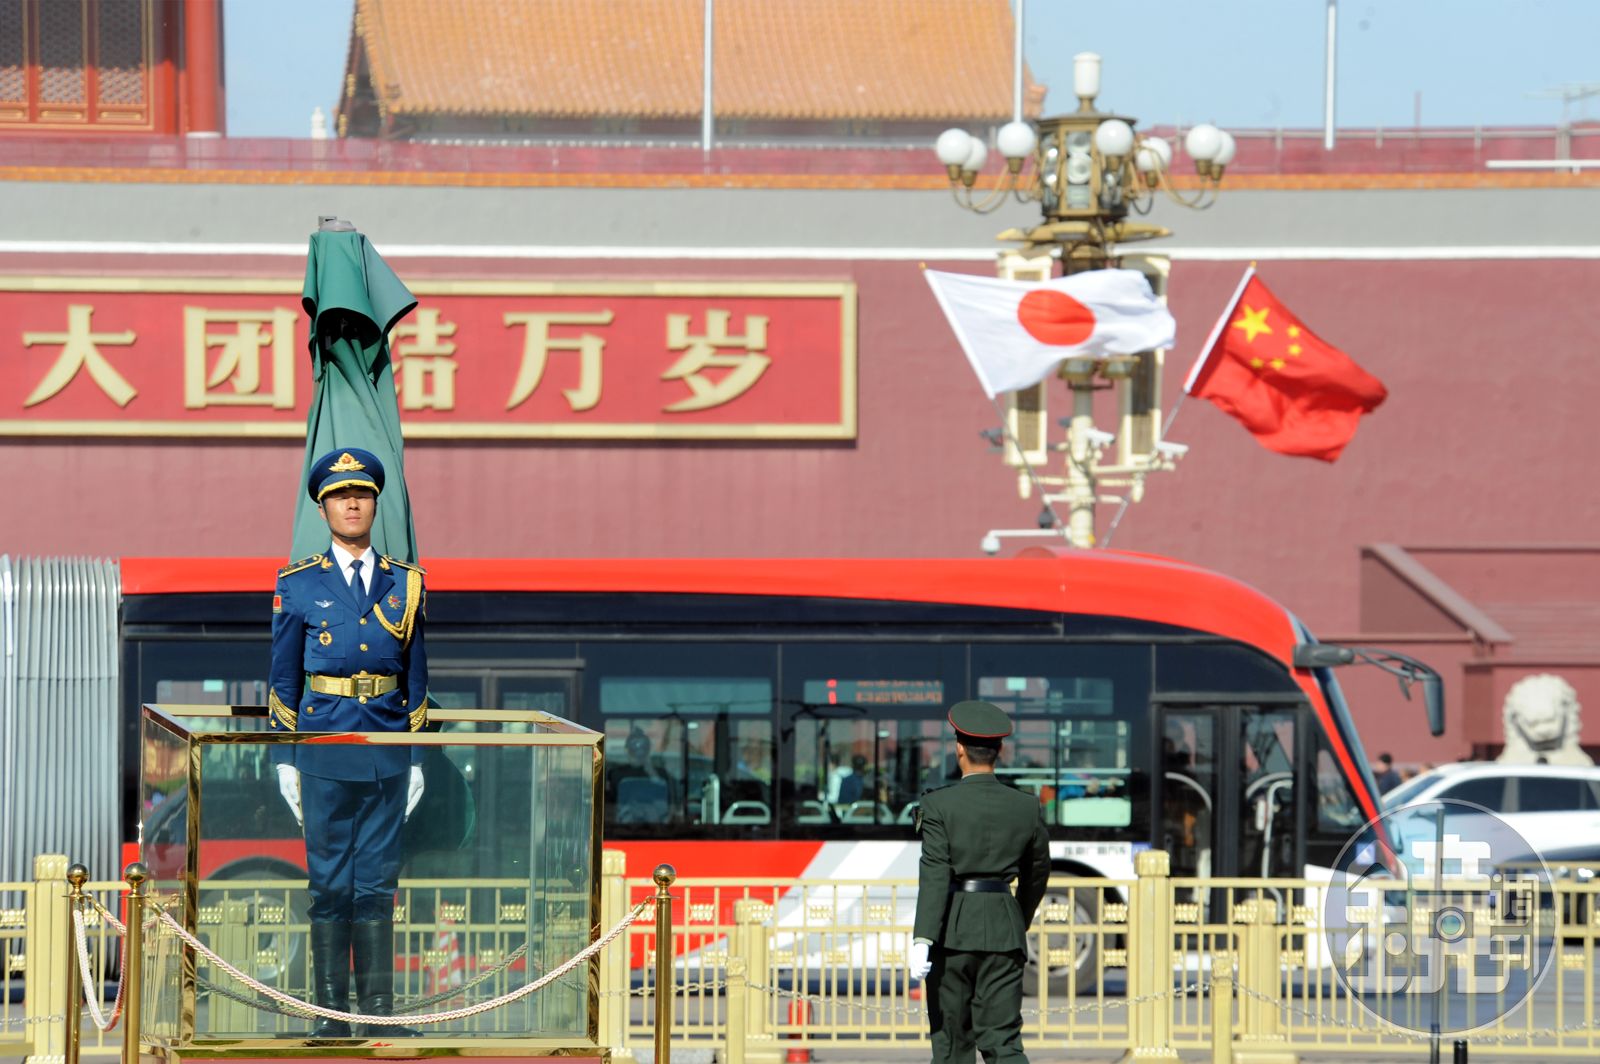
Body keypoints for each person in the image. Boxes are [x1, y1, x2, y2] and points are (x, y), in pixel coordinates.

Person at [269, 448, 429, 1039]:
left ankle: (378, 1013)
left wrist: (416, 758)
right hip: (323, 751)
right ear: (323, 508)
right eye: (340, 496)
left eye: (361, 494)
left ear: (375, 504)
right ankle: (331, 1015)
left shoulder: (405, 582)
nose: (352, 504)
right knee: (330, 885)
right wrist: (286, 759)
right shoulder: (298, 584)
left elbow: (417, 678)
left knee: (377, 886)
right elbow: (283, 679)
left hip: (386, 750)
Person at [909, 701, 1050, 1064]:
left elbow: (935, 872)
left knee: (952, 1045)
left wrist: (923, 938)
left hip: (952, 933)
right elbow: (1037, 872)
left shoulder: (939, 805)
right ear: (1000, 750)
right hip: (1004, 930)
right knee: (1004, 1042)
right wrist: (1015, 918)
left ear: (959, 749)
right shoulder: (1026, 806)